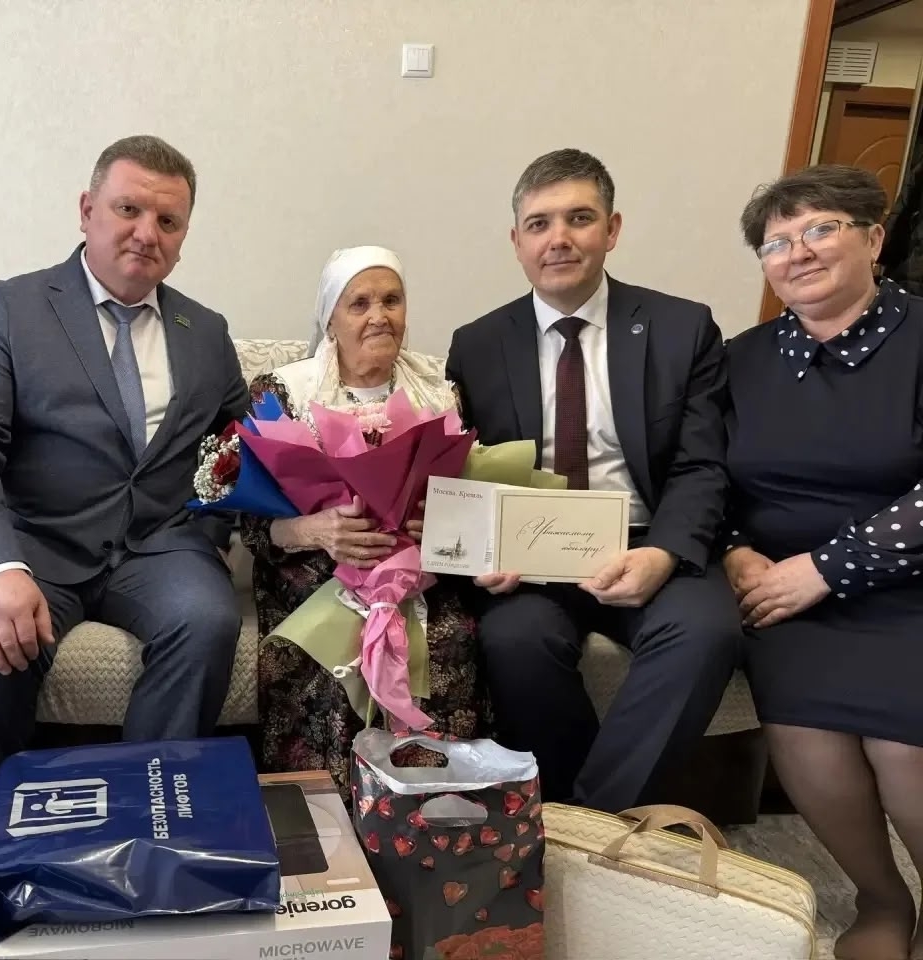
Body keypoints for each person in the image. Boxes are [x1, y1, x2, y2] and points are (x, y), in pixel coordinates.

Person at [0, 135, 250, 798]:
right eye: (128, 209)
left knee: (208, 619)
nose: (147, 233)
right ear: (86, 210)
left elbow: (235, 440)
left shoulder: (207, 331)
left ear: (183, 236)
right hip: (35, 547)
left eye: (168, 220)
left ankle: (152, 810)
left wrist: (210, 530)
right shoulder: (5, 310)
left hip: (160, 548)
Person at [446, 148, 741, 813]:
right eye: (540, 223)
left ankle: (586, 824)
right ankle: (589, 821)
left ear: (612, 229)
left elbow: (701, 463)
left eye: (579, 218)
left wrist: (663, 554)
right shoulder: (477, 344)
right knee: (512, 640)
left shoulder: (682, 328)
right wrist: (483, 549)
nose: (559, 238)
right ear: (516, 242)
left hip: (647, 536)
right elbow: (464, 470)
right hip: (534, 554)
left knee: (707, 632)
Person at [727, 164, 923, 960]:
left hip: (908, 585)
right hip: (783, 594)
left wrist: (829, 568)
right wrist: (735, 551)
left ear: (873, 239)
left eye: (819, 229)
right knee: (805, 732)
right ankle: (881, 900)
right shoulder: (740, 359)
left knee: (906, 744)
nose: (797, 252)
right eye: (777, 242)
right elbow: (703, 474)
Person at [242, 246, 483, 796]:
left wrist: (444, 523)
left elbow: (471, 493)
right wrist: (316, 530)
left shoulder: (440, 388)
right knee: (326, 647)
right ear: (330, 319)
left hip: (421, 576)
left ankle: (427, 813)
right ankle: (325, 815)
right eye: (360, 304)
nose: (379, 316)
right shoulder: (281, 392)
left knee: (450, 637)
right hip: (314, 573)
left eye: (392, 301)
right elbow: (251, 524)